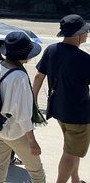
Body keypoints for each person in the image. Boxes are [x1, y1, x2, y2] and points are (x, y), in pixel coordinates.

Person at [33, 14, 90, 183]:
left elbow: (38, 76)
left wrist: (33, 101)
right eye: (86, 31)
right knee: (71, 153)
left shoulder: (51, 50)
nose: (87, 34)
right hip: (78, 114)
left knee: (72, 148)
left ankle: (75, 179)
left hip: (58, 109)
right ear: (78, 34)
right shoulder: (84, 59)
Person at [0, 31, 46, 183]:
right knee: (37, 173)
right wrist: (32, 140)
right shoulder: (19, 76)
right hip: (15, 132)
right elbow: (23, 114)